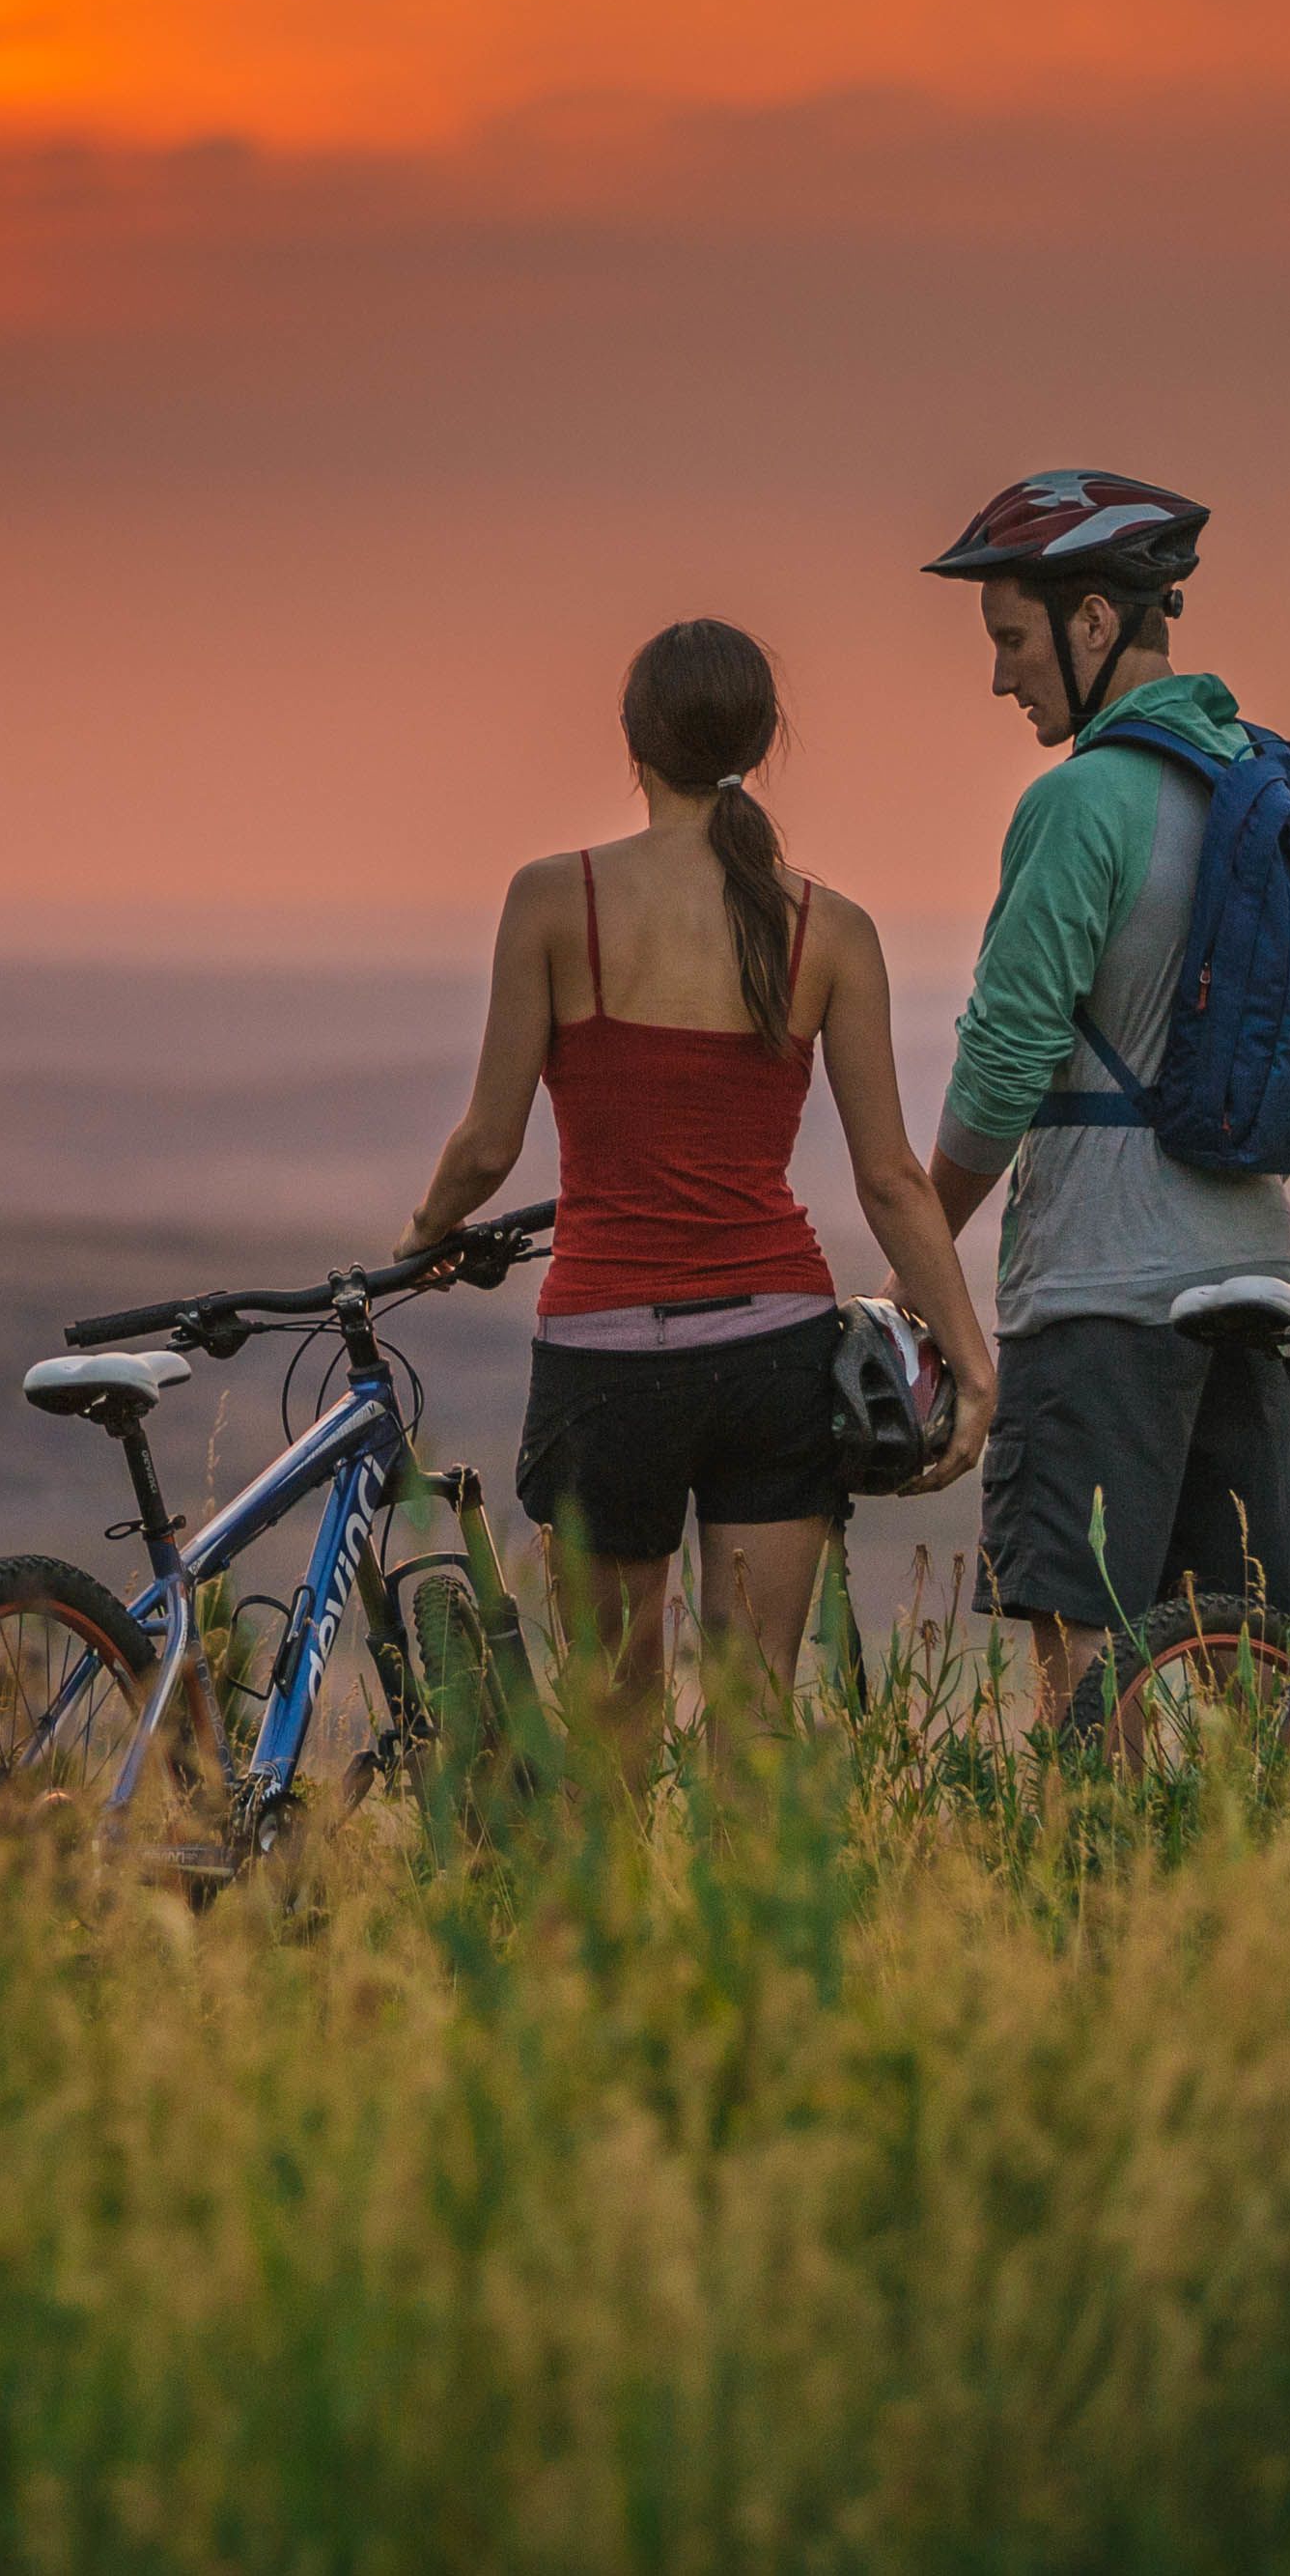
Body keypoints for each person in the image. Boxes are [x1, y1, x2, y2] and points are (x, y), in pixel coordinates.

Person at [405, 620, 996, 1761]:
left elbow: (485, 1145)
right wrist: (969, 1358)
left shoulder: (550, 901)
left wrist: (423, 1232)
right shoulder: (830, 928)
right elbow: (890, 1177)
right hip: (772, 1347)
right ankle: (755, 1940)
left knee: (611, 1711)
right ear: (764, 742)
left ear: (631, 740)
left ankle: (624, 1938)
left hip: (604, 1356)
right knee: (752, 1705)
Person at [917, 470, 1290, 1727]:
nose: (998, 678)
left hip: (1099, 1288)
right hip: (1249, 1273)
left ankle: (1096, 1910)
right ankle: (1285, 1906)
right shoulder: (1256, 787)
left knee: (1085, 1684)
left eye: (1011, 639)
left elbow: (1004, 1059)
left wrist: (920, 1242)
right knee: (1249, 1670)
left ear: (1094, 622)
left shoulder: (1079, 801)